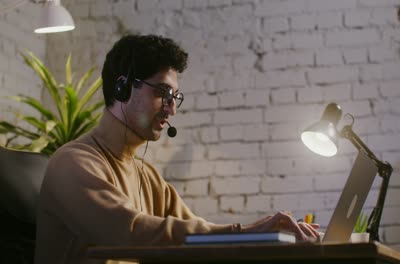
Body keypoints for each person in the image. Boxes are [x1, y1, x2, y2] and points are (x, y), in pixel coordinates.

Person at [34, 34, 319, 264]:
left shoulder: (148, 177)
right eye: (162, 92)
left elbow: (199, 236)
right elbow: (129, 232)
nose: (171, 107)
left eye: (175, 96)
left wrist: (263, 236)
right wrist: (244, 233)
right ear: (123, 88)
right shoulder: (73, 163)